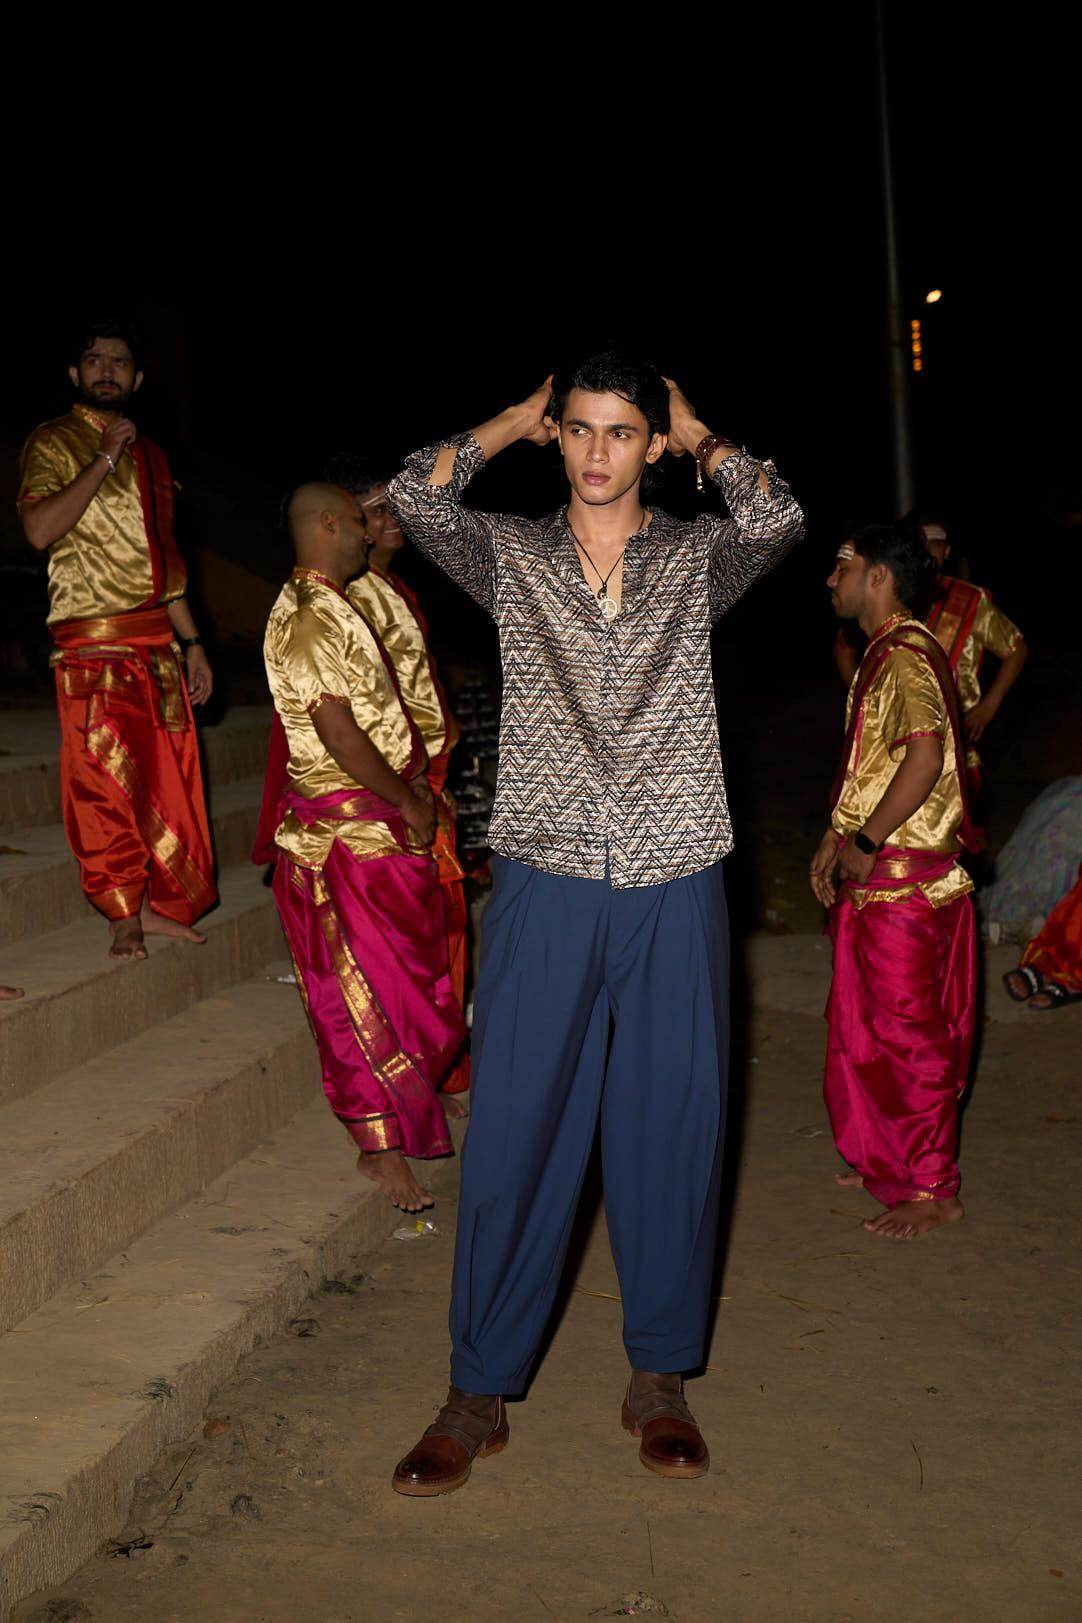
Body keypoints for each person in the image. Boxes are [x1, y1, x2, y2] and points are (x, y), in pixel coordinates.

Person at [385, 348, 804, 1495]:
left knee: (672, 1118)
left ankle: (658, 1377)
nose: (596, 451)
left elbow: (777, 518)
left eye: (620, 430)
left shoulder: (693, 558)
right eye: (577, 428)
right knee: (516, 1124)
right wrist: (510, 417)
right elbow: (414, 497)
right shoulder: (513, 554)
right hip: (547, 870)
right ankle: (476, 1389)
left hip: (674, 868)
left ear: (650, 444)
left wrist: (701, 431)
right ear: (557, 434)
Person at [263, 483, 467, 1214]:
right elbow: (339, 733)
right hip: (341, 838)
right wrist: (406, 799)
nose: (366, 533)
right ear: (327, 524)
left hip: (377, 824)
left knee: (410, 988)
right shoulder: (308, 616)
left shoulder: (338, 602)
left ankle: (409, 1105)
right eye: (357, 521)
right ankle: (377, 1147)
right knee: (354, 1000)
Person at [17, 317, 215, 961]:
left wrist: (194, 643)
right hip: (92, 644)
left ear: (138, 378)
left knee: (165, 784)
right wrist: (103, 458)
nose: (107, 370)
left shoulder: (153, 456)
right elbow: (39, 530)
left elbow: (166, 563)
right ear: (75, 373)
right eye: (95, 360)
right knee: (101, 783)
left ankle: (155, 905)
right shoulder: (53, 441)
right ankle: (123, 913)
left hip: (159, 645)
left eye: (120, 361)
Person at [812, 524, 980, 1241]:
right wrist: (836, 836)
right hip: (883, 880)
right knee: (868, 1030)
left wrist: (865, 840)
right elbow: (874, 767)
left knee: (911, 1038)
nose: (831, 580)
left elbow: (924, 759)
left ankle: (934, 1188)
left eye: (842, 567)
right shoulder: (886, 652)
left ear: (878, 576)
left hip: (904, 887)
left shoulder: (906, 657)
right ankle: (891, 1156)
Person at [323, 452, 471, 1100]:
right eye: (378, 509)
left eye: (395, 506)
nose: (393, 518)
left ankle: (434, 1068)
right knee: (412, 936)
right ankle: (406, 1079)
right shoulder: (348, 599)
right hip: (396, 789)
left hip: (427, 777)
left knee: (444, 925)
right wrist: (409, 790)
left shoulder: (393, 587)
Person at [833, 512, 1027, 801]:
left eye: (934, 543)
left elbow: (1016, 649)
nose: (927, 549)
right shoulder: (887, 603)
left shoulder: (969, 600)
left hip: (955, 747)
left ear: (946, 551)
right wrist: (865, 700)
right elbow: (842, 648)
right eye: (918, 542)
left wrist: (989, 706)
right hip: (893, 751)